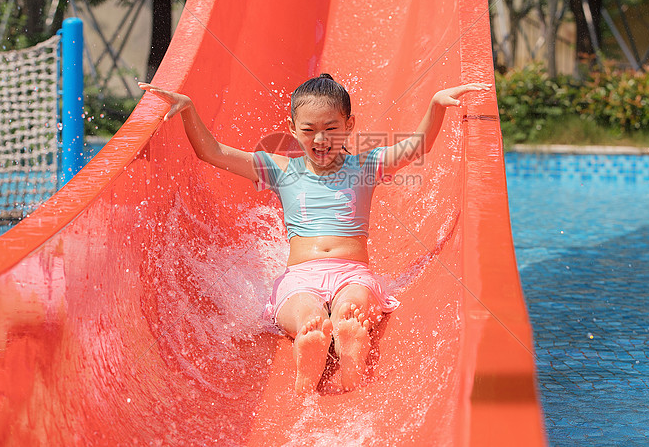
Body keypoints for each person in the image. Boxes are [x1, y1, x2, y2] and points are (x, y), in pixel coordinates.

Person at [138, 74, 489, 393]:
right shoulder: (281, 170)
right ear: (292, 128)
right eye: (309, 130)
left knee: (352, 305)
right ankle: (312, 346)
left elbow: (417, 146)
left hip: (352, 273)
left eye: (331, 128)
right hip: (299, 277)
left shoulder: (365, 167)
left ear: (349, 125)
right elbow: (212, 152)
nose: (320, 139)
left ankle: (349, 345)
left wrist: (436, 104)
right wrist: (188, 110)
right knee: (307, 314)